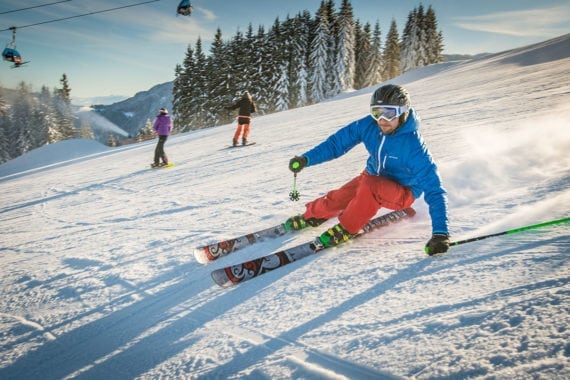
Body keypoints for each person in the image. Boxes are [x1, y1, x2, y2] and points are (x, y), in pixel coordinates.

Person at [287, 84, 450, 255]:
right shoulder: (369, 126)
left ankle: (347, 228)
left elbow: (435, 190)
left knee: (370, 186)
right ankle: (313, 215)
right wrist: (306, 159)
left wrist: (440, 233)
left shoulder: (414, 148)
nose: (381, 120)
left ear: (403, 112)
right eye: (376, 112)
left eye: (389, 113)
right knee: (342, 195)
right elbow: (337, 144)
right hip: (372, 177)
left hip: (403, 191)